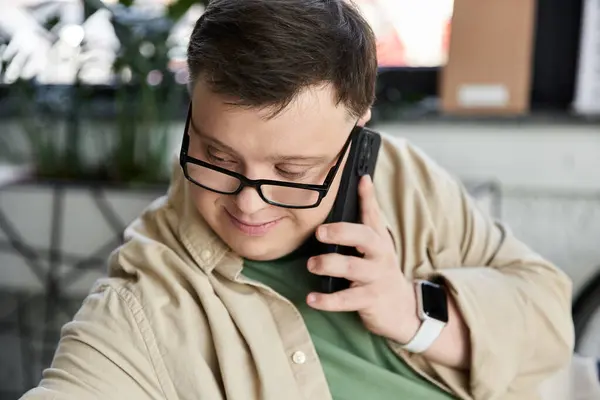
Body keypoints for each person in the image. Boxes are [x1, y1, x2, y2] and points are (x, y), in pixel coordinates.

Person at [21, 1, 575, 399]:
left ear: (359, 125)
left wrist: (413, 312)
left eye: (292, 172)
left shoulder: (402, 178)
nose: (249, 205)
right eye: (218, 158)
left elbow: (549, 317)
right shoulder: (146, 305)